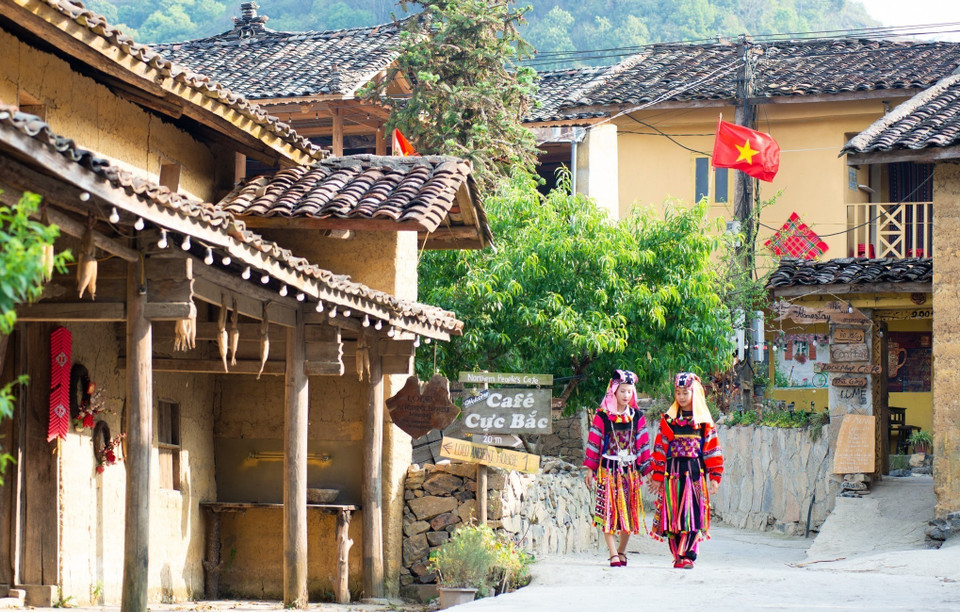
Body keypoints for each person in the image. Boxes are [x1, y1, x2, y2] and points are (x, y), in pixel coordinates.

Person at [649, 371, 723, 569]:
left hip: (694, 473)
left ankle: (689, 554)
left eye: (685, 392)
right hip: (672, 474)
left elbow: (712, 448)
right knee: (673, 515)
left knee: (693, 513)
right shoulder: (669, 420)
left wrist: (715, 475)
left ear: (695, 393)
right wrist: (656, 475)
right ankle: (677, 556)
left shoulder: (704, 422)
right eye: (678, 392)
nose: (681, 397)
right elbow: (660, 448)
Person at [583, 369, 652, 567]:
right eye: (622, 391)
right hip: (608, 470)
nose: (626, 395)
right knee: (608, 512)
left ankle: (621, 550)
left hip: (629, 472)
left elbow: (643, 445)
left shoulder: (637, 416)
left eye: (629, 391)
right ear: (613, 391)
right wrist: (591, 468)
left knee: (628, 514)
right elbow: (594, 442)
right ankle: (613, 553)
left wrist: (647, 471)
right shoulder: (603, 416)